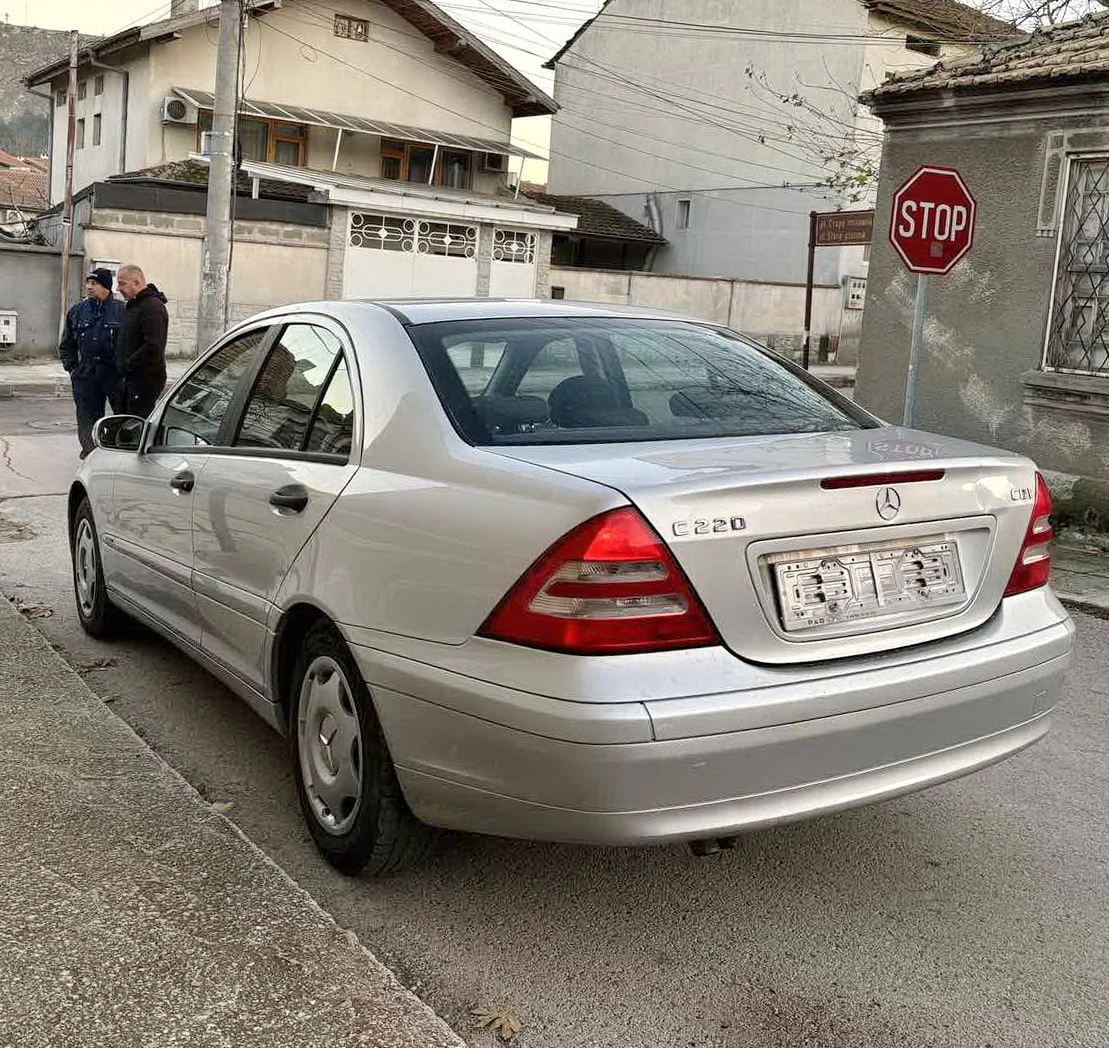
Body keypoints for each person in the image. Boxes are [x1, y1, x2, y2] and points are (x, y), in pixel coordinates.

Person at [59, 267, 126, 458]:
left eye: (94, 283)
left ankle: (117, 452)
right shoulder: (78, 311)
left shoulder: (121, 311)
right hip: (86, 373)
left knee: (121, 413)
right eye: (88, 283)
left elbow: (129, 343)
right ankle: (90, 452)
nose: (89, 287)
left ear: (106, 286)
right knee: (87, 415)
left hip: (113, 372)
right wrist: (73, 368)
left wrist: (124, 369)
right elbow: (66, 344)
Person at [115, 264, 169, 417]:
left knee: (135, 427)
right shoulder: (134, 306)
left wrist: (128, 365)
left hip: (143, 382)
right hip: (129, 380)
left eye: (122, 283)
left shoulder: (152, 307)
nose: (118, 289)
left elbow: (153, 347)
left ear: (137, 282)